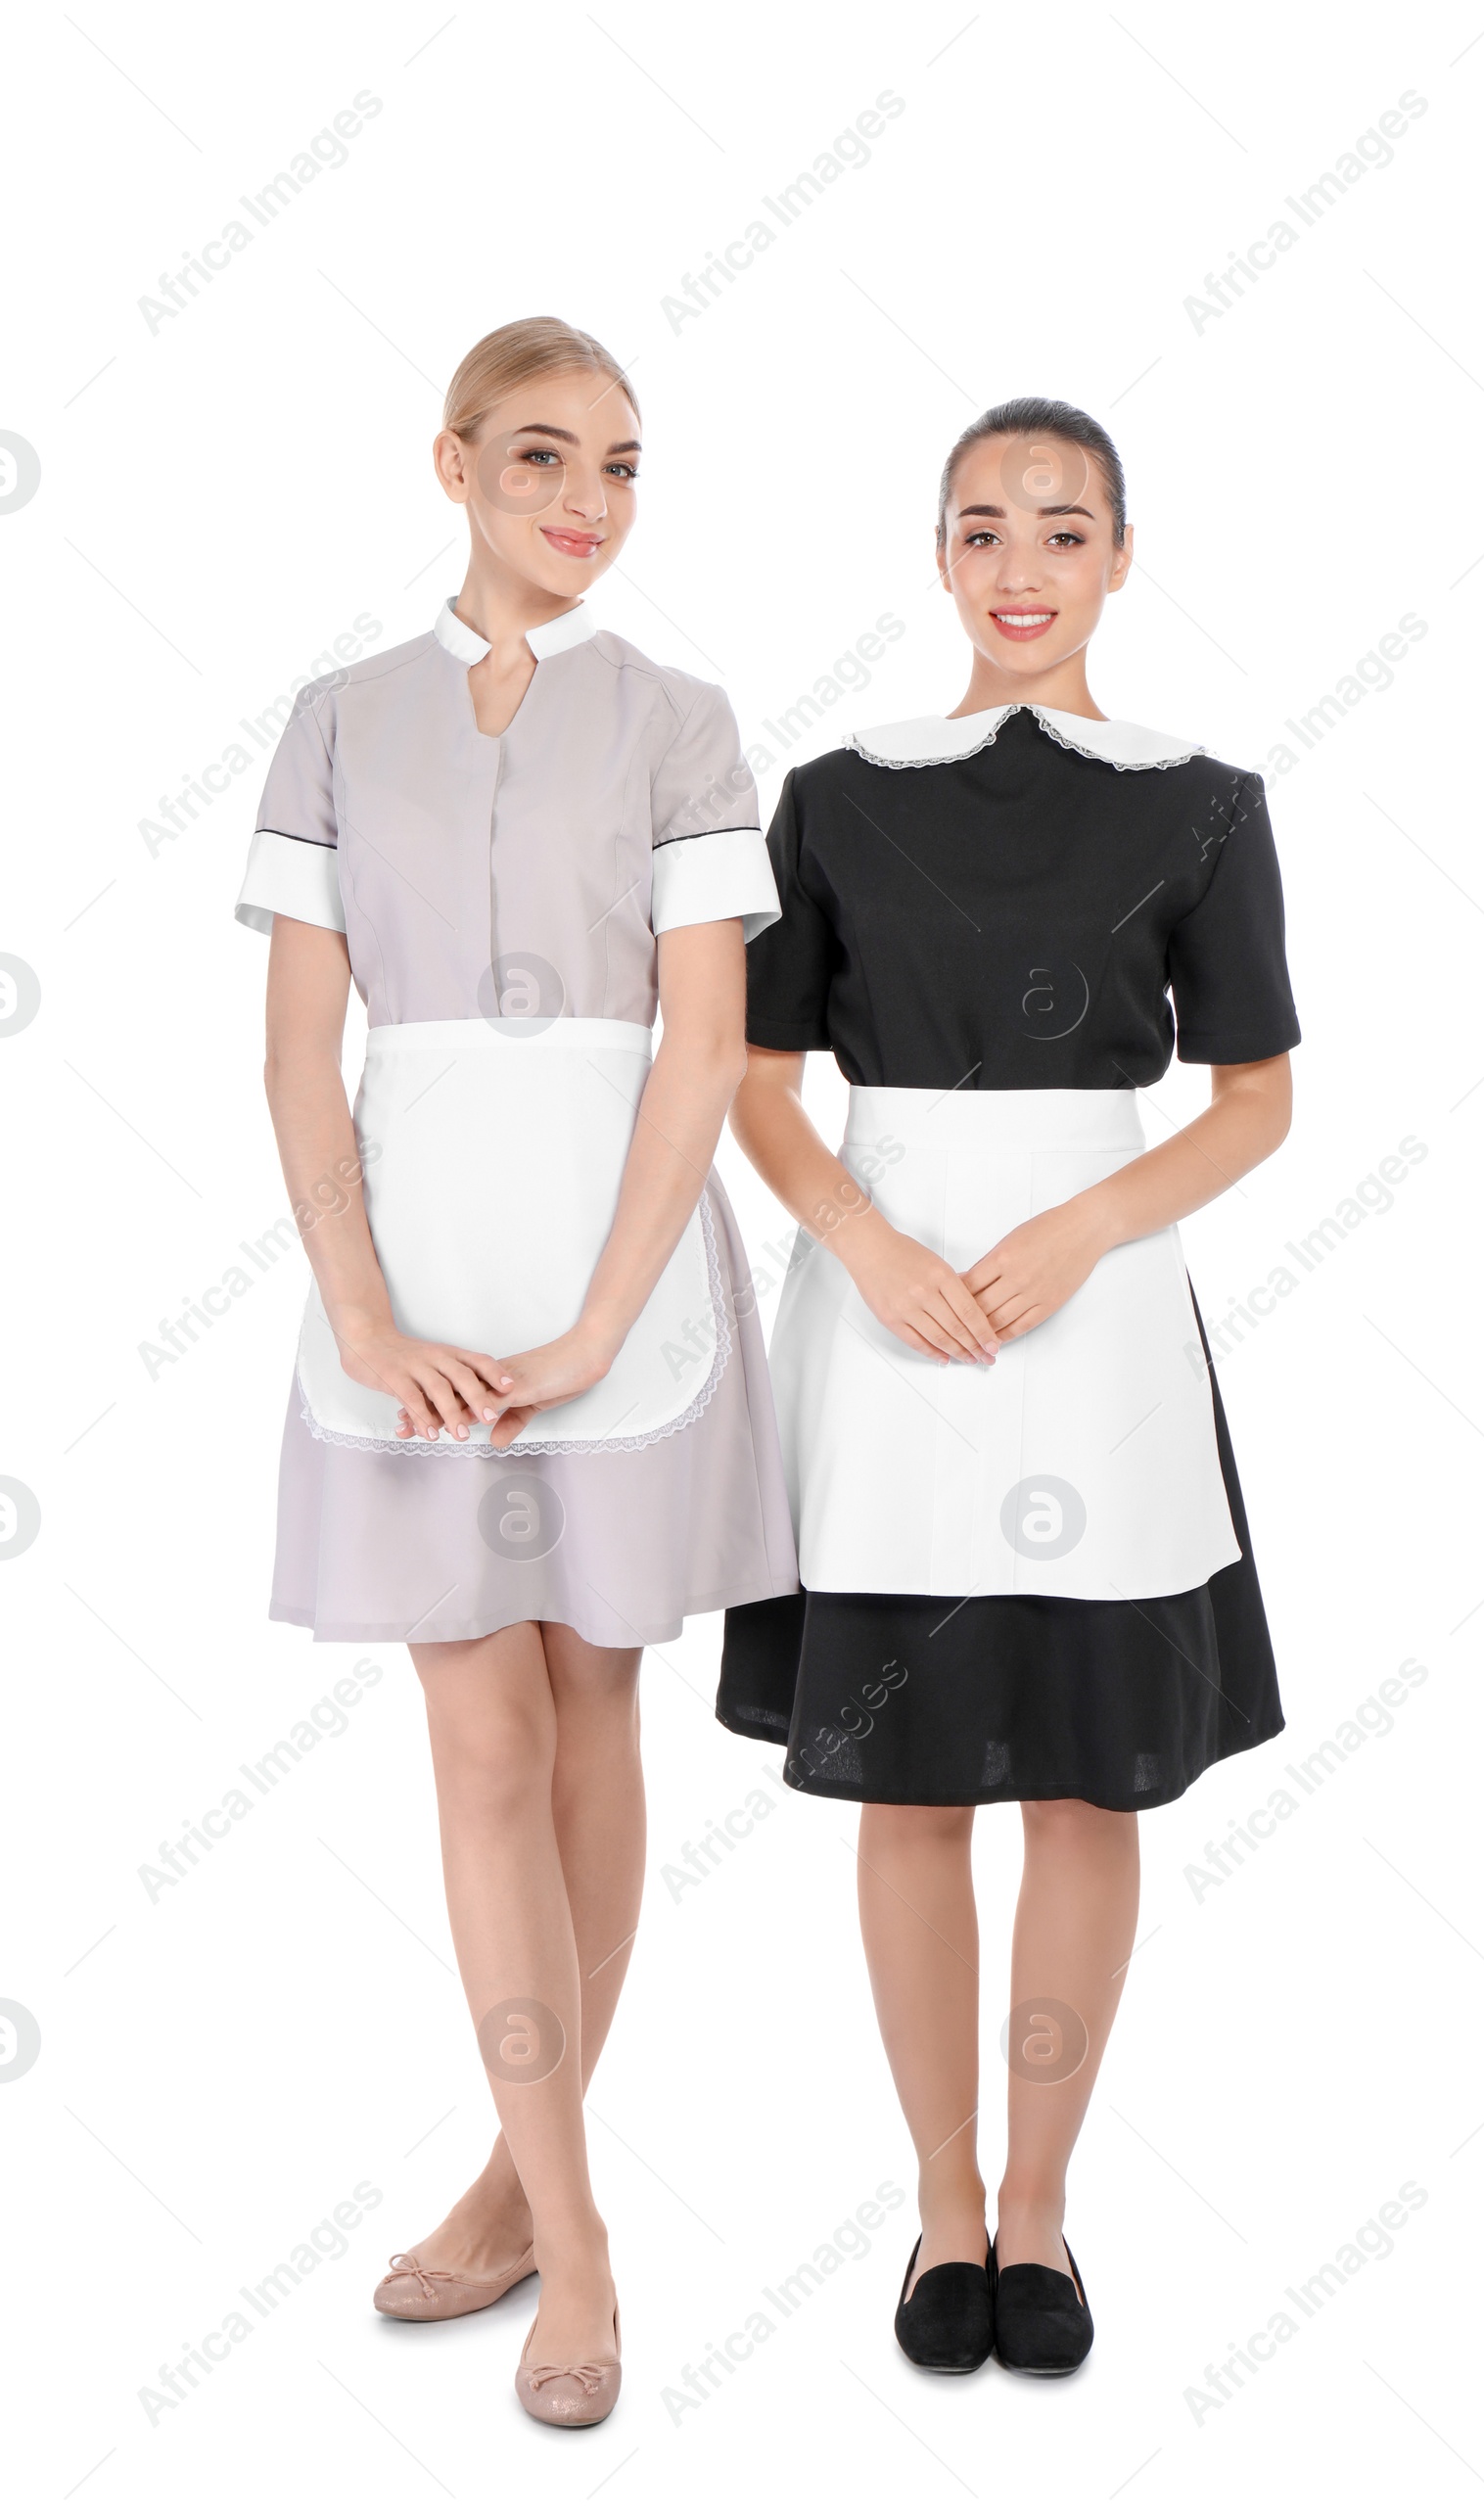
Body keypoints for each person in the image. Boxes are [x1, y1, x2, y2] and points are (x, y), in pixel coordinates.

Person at [237, 316, 796, 2427]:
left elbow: (705, 1046)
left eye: (626, 467)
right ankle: (579, 2240)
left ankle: (508, 2182)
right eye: (546, 457)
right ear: (451, 463)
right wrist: (367, 1313)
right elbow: (303, 1051)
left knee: (583, 1726)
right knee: (472, 1747)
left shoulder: (679, 719)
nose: (589, 504)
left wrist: (585, 1325)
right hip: (407, 1284)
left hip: (616, 1282)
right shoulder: (337, 722)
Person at [719, 396, 1299, 2377]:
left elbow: (1253, 1102)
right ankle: (935, 2212)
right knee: (902, 1776)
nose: (1020, 565)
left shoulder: (1200, 797)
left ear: (1119, 558)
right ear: (938, 560)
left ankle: (1037, 2224)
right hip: (885, 1317)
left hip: (1097, 1328)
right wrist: (865, 1244)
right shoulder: (828, 791)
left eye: (1061, 529)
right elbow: (746, 1077)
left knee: (1077, 1770)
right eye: (981, 530)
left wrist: (1085, 1226)